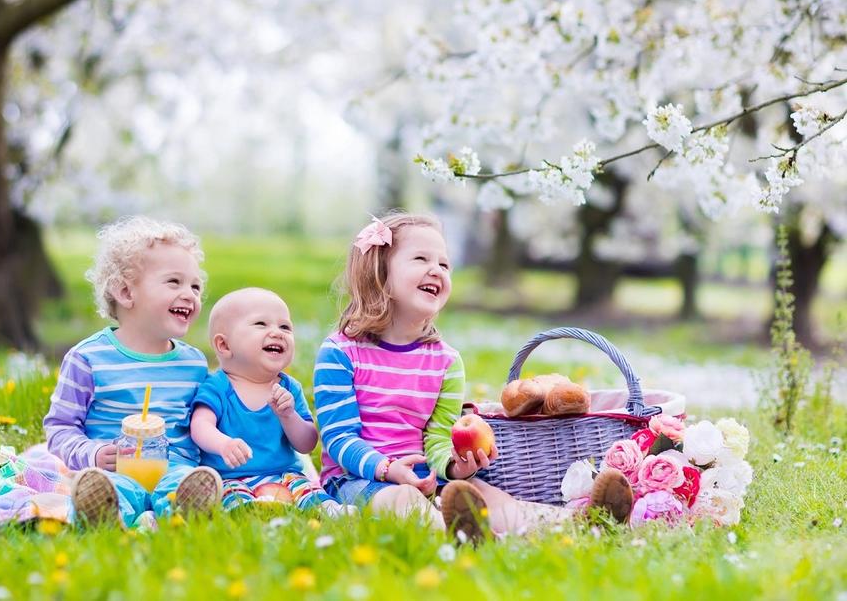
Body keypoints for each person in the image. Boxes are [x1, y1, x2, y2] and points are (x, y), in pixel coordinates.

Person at [313, 212, 632, 543]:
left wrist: (455, 467)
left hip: (430, 477)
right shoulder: (341, 352)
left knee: (486, 495)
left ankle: (581, 524)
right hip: (358, 480)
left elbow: (436, 438)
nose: (436, 270)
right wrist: (387, 470)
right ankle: (467, 538)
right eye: (421, 258)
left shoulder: (445, 361)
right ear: (379, 273)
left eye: (445, 264)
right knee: (404, 501)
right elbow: (338, 439)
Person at [43, 216, 223, 528]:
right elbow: (60, 428)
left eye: (195, 286)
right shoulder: (88, 359)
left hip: (175, 469)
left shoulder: (193, 364)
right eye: (174, 282)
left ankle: (184, 507)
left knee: (180, 482)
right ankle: (104, 512)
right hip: (115, 471)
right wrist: (94, 454)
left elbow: (205, 422)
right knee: (115, 490)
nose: (190, 294)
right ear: (126, 292)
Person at [190, 288, 352, 517]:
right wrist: (223, 444)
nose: (277, 333)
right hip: (230, 475)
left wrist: (289, 416)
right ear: (224, 346)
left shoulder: (288, 388)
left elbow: (306, 444)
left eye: (285, 327)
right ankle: (252, 512)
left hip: (284, 474)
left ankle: (329, 510)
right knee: (233, 497)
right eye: (261, 324)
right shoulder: (217, 386)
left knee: (307, 491)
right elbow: (199, 426)